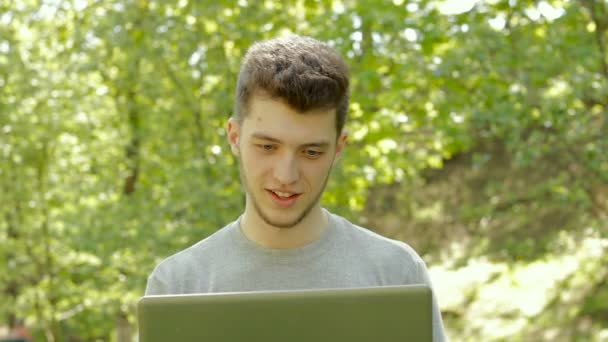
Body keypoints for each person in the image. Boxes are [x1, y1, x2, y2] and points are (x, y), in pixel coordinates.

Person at [145, 34, 447, 341]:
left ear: (338, 149)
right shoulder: (178, 284)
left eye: (311, 152)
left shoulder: (396, 273)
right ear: (235, 137)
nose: (286, 175)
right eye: (267, 146)